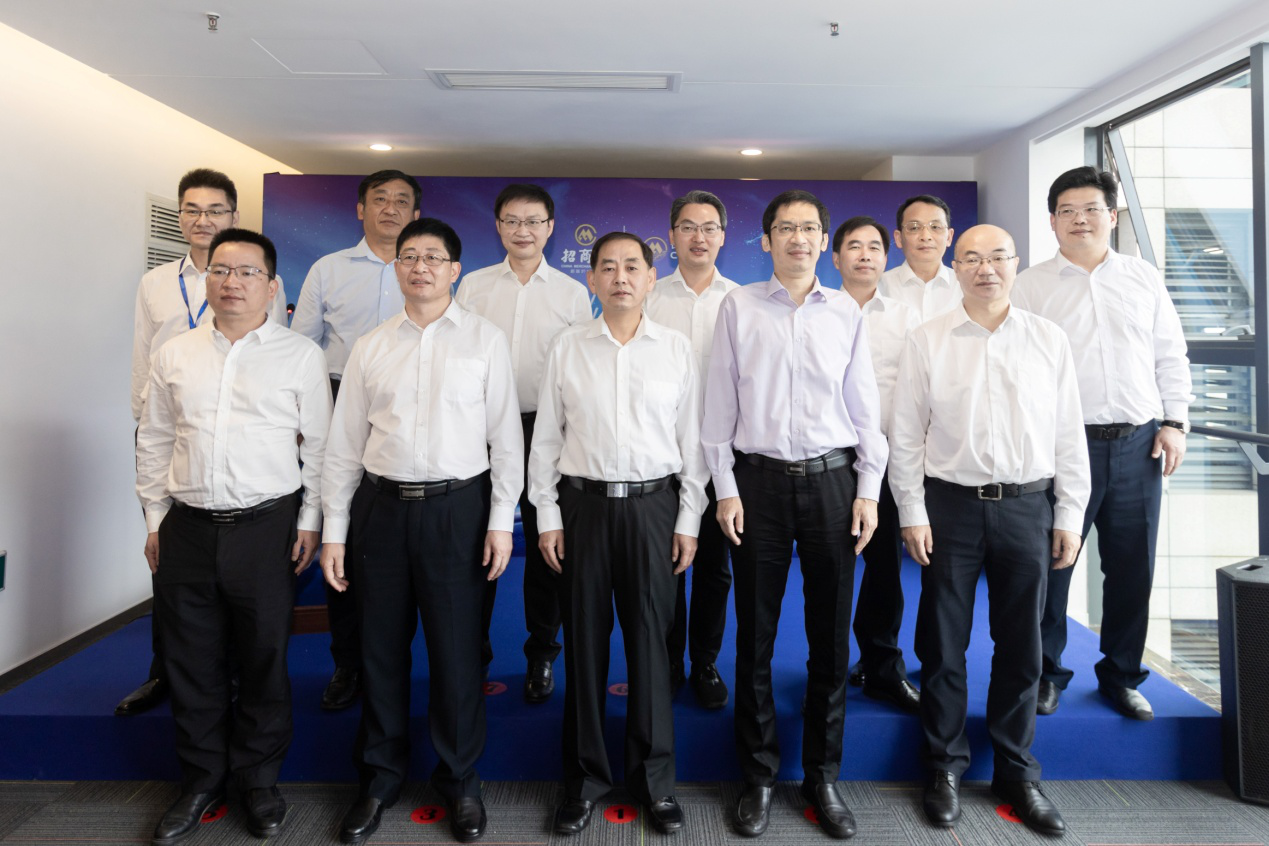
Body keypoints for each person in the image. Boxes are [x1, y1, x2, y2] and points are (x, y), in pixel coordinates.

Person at [320, 217, 522, 845]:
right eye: (409, 257)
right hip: (380, 510)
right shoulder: (371, 345)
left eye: (434, 257)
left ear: (455, 270)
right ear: (397, 267)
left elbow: (505, 439)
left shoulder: (485, 341)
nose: (420, 267)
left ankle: (459, 780)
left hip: (458, 510)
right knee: (379, 648)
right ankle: (379, 778)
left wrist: (501, 521)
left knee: (456, 651)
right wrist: (334, 530)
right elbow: (343, 445)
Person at [888, 224, 1089, 836]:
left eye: (998, 257)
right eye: (972, 258)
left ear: (1015, 263)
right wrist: (912, 511)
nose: (986, 268)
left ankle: (1015, 770)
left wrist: (1069, 513)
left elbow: (1068, 433)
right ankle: (944, 766)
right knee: (943, 643)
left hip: (1028, 507)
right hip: (950, 507)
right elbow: (906, 434)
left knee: (1022, 644)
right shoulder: (927, 339)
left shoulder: (1048, 339)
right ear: (956, 266)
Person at [701, 190, 887, 839]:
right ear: (767, 240)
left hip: (834, 483)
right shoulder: (738, 306)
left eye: (809, 228)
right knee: (754, 634)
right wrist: (725, 489)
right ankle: (757, 776)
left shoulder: (846, 312)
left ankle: (821, 776)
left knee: (830, 638)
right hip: (757, 485)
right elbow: (718, 405)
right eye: (786, 228)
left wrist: (868, 490)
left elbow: (865, 408)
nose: (798, 238)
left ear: (823, 241)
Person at [136, 228, 330, 844]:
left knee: (263, 656)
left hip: (267, 526)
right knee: (191, 660)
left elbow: (320, 449)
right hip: (186, 526)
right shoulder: (176, 353)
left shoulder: (299, 356)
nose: (232, 282)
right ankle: (200, 781)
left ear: (272, 286)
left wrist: (310, 521)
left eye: (248, 272)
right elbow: (155, 439)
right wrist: (154, 519)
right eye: (221, 270)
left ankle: (258, 780)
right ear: (207, 280)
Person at [530, 232, 708, 836]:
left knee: (651, 647)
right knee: (584, 645)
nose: (621, 277)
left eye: (633, 266)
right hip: (582, 508)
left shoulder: (676, 349)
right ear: (592, 279)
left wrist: (688, 520)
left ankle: (655, 782)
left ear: (652, 278)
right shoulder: (568, 347)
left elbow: (692, 445)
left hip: (654, 508)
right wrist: (548, 515)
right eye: (608, 267)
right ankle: (583, 781)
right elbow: (546, 440)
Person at [1013, 166, 1193, 721]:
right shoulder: (1031, 286)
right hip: (1063, 449)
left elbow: (1170, 353)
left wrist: (1175, 421)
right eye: (1067, 211)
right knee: (1052, 566)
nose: (1080, 220)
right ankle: (1046, 675)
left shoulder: (1143, 278)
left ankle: (1121, 675)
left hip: (1140, 445)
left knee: (1132, 568)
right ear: (1052, 221)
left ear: (1112, 217)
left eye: (1091, 209)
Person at [121, 168, 287, 717]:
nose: (203, 220)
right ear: (179, 216)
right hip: (171, 428)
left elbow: (274, 350)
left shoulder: (255, 274)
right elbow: (143, 355)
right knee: (168, 559)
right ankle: (164, 671)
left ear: (233, 216)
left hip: (233, 432)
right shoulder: (155, 282)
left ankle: (230, 673)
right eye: (192, 210)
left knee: (235, 573)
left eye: (215, 210)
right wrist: (144, 422)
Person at [291, 169, 422, 711]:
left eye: (402, 201)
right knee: (339, 532)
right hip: (338, 400)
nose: (390, 209)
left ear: (416, 214)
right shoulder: (329, 268)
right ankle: (347, 662)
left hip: (407, 413)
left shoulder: (426, 268)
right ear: (360, 209)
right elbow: (302, 349)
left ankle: (399, 660)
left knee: (391, 542)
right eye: (380, 199)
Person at [455, 183, 591, 701]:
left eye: (533, 221)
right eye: (512, 220)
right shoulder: (473, 287)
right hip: (478, 429)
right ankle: (473, 654)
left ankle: (541, 654)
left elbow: (581, 366)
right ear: (498, 226)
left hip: (544, 429)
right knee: (477, 541)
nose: (523, 230)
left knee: (545, 544)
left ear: (550, 228)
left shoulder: (572, 293)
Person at [645, 189, 738, 709]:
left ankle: (705, 662)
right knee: (666, 566)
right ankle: (665, 662)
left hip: (726, 456)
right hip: (663, 453)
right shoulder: (649, 296)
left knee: (715, 568)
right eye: (687, 227)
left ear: (723, 236)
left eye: (709, 228)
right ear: (671, 236)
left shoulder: (743, 299)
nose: (698, 237)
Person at [831, 216, 922, 712]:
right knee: (832, 568)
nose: (864, 255)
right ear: (835, 257)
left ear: (886, 258)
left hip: (885, 455)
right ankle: (828, 668)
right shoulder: (817, 311)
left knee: (885, 566)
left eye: (874, 247)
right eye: (854, 246)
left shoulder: (906, 317)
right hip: (827, 458)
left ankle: (881, 663)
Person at [877, 195, 961, 322]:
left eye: (935, 227)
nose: (925, 236)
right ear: (898, 238)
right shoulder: (879, 287)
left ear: (949, 237)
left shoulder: (966, 286)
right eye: (914, 228)